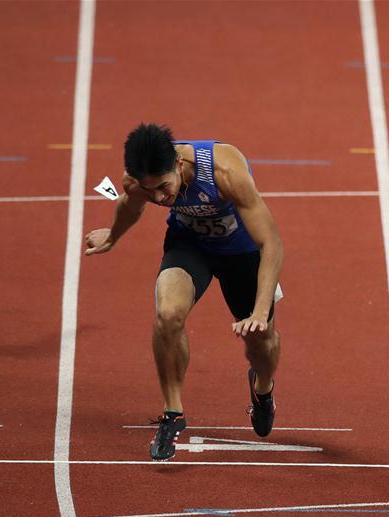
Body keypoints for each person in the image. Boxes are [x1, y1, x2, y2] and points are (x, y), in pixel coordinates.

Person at [85, 123, 284, 461]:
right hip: (190, 245)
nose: (160, 198)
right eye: (151, 192)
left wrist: (259, 312)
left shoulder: (224, 170)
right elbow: (130, 207)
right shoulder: (137, 180)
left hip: (242, 252)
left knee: (262, 343)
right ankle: (173, 413)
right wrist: (113, 236)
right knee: (168, 314)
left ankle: (262, 390)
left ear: (179, 164)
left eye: (164, 187)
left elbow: (272, 244)